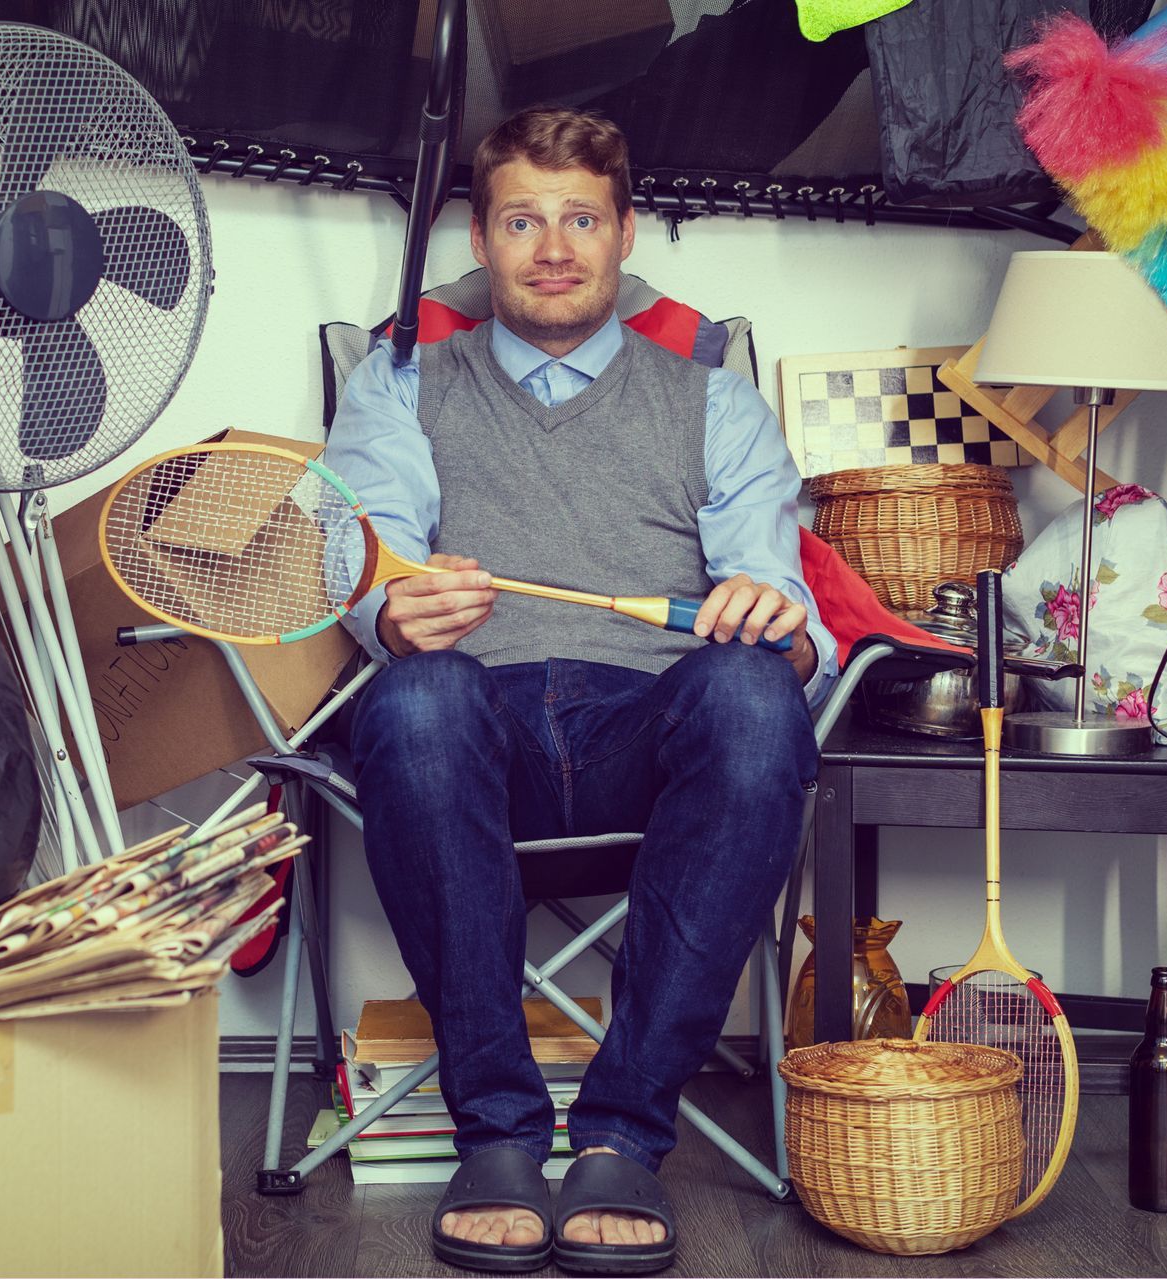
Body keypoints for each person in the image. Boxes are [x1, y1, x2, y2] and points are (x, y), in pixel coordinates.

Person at [324, 105, 835, 1276]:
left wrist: (778, 628)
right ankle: (496, 1133)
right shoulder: (400, 384)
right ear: (481, 236)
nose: (553, 247)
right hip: (470, 743)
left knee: (758, 692)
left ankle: (622, 1132)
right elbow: (364, 557)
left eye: (580, 221)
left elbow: (776, 590)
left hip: (646, 742)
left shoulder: (714, 400)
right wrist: (392, 607)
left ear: (624, 234)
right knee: (412, 697)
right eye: (522, 220)